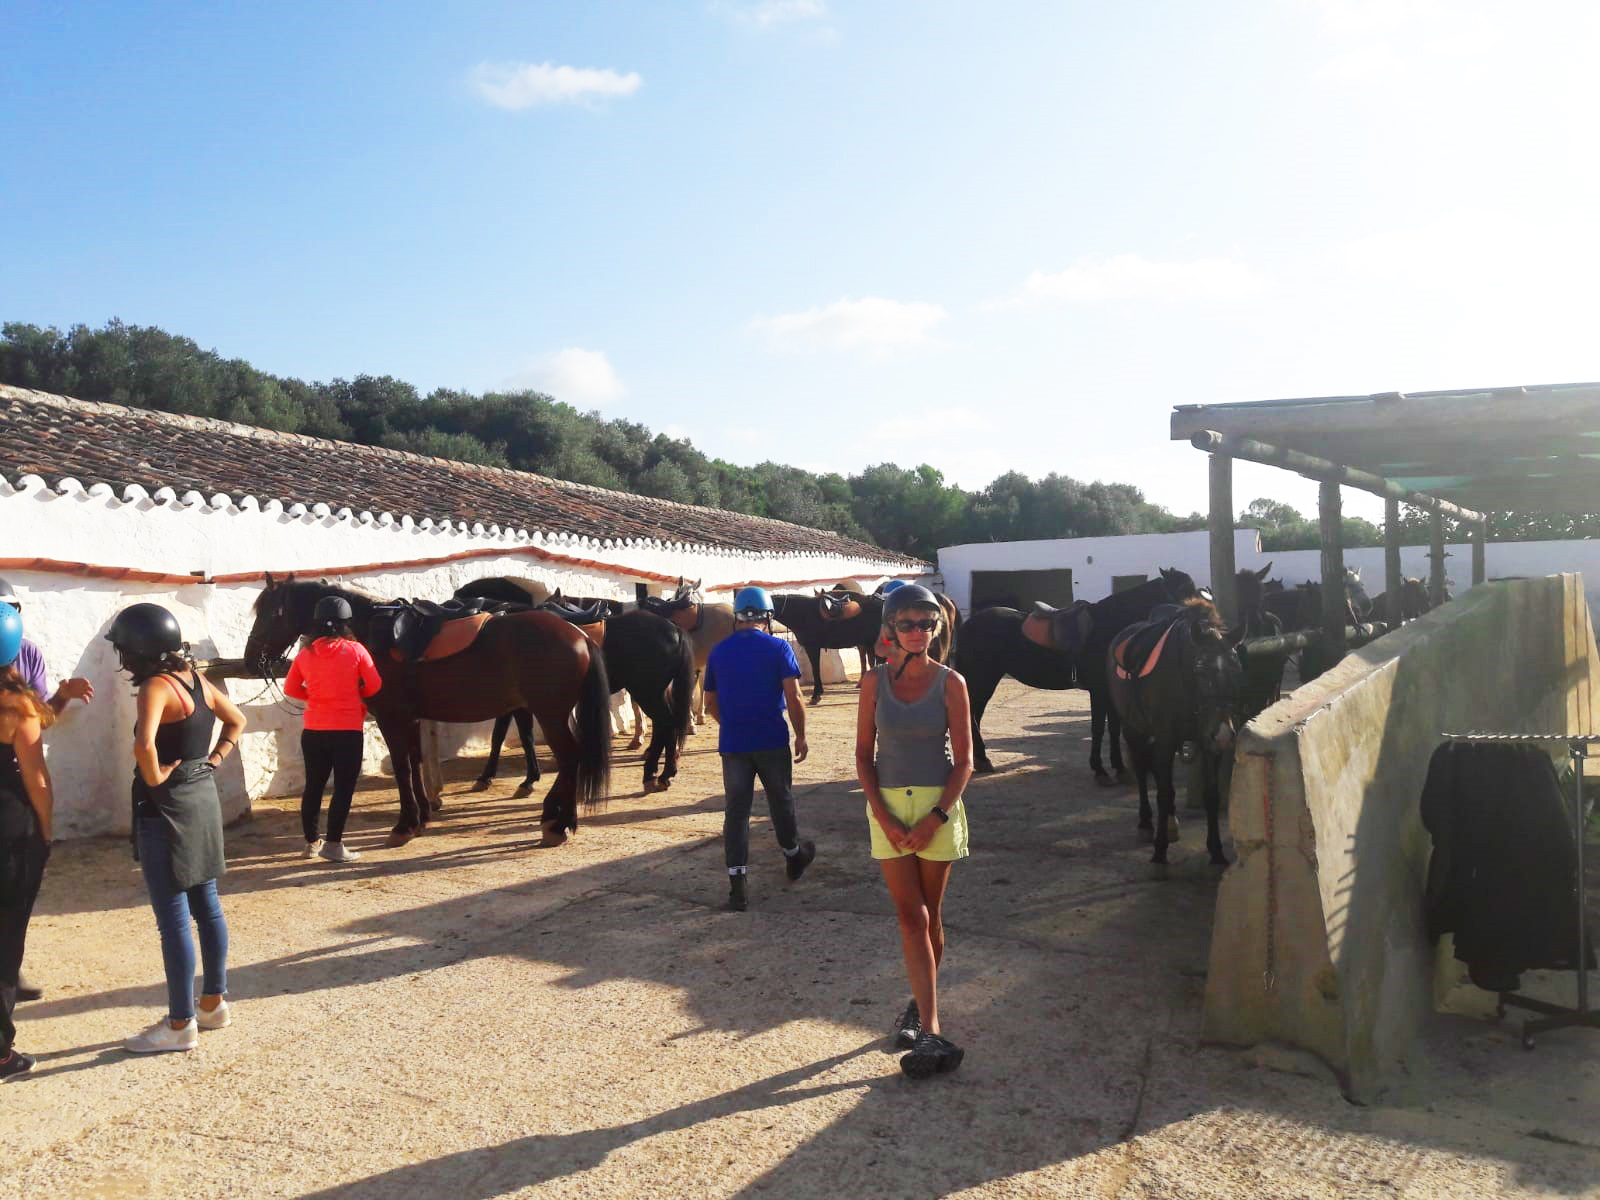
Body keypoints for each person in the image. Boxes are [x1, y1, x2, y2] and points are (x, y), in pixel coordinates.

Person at [108, 603, 247, 1054]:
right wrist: (214, 760)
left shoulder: (155, 687)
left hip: (166, 808)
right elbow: (237, 720)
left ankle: (180, 1022)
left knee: (173, 922)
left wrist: (155, 779)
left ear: (140, 651)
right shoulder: (197, 681)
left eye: (125, 649)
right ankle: (212, 1003)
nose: (123, 658)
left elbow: (143, 745)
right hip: (201, 796)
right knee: (207, 906)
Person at [855, 583, 974, 1079]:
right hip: (886, 806)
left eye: (927, 624)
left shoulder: (952, 683)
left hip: (937, 807)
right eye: (907, 623)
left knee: (930, 917)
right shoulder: (871, 683)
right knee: (910, 919)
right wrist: (883, 816)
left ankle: (920, 1014)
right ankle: (930, 1024)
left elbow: (965, 762)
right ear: (890, 628)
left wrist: (935, 818)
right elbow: (863, 756)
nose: (918, 632)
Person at [0, 577, 94, 1004]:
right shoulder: (15, 695)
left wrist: (61, 695)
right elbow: (36, 772)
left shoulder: (28, 654)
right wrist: (46, 828)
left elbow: (38, 722)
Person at [703, 586, 815, 912]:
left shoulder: (718, 652)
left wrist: (732, 724)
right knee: (780, 801)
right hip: (771, 740)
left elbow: (710, 703)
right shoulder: (779, 648)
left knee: (736, 812)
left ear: (738, 617)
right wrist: (801, 735)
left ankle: (737, 888)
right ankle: (794, 857)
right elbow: (794, 697)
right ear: (766, 616)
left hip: (734, 744)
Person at [283, 595, 382, 863]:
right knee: (343, 788)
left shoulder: (306, 654)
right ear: (346, 623)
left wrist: (317, 697)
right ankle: (334, 844)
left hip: (314, 729)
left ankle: (311, 843)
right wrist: (353, 693)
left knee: (313, 786)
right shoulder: (356, 650)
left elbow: (291, 689)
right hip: (347, 729)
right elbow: (374, 686)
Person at [0, 603, 53, 1080]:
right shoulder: (17, 707)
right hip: (10, 830)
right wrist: (48, 829)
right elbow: (36, 779)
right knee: (5, 938)